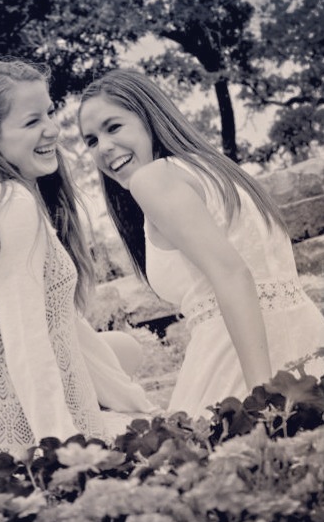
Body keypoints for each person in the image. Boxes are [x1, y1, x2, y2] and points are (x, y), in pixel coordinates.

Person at [0, 60, 156, 458]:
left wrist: (132, 400)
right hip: (7, 427)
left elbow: (63, 323)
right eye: (32, 121)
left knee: (126, 349)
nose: (52, 129)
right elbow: (27, 343)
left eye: (50, 112)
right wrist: (65, 451)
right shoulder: (11, 206)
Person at [78, 68, 324, 417]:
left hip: (236, 360)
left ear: (149, 118)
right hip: (305, 341)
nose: (103, 147)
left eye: (114, 127)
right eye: (91, 141)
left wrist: (259, 398)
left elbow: (233, 274)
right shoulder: (215, 171)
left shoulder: (153, 179)